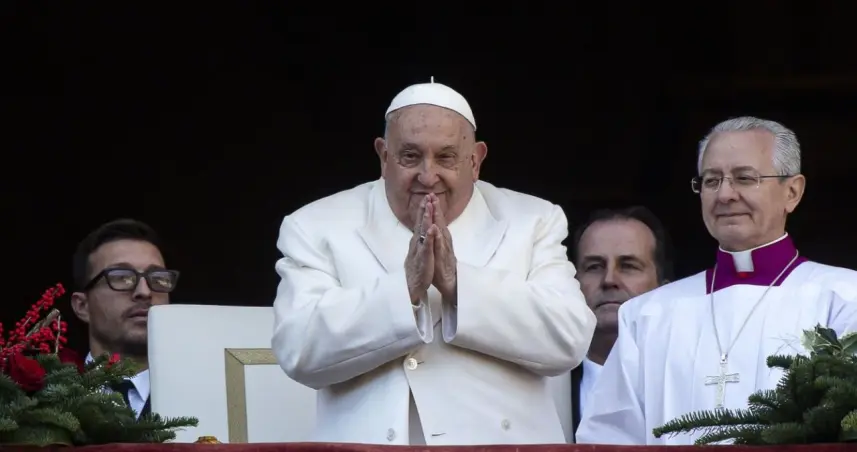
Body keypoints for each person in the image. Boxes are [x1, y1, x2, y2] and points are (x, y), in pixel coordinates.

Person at [271, 79, 596, 445]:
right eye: (410, 156)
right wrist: (405, 290)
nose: (427, 176)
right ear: (383, 156)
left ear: (475, 160)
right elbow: (298, 350)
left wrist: (459, 284)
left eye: (446, 157)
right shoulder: (317, 225)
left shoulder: (532, 221)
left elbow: (570, 338)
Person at [576, 116, 857, 445]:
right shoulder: (647, 315)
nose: (724, 194)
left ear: (792, 192)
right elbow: (609, 438)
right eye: (711, 181)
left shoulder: (844, 298)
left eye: (744, 178)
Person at [569, 206, 673, 440]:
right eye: (594, 267)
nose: (609, 280)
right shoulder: (540, 384)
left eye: (628, 266)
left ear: (665, 290)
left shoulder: (686, 379)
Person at [70, 218, 180, 419]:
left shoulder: (206, 395)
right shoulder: (39, 401)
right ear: (82, 306)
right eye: (121, 277)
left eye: (158, 278)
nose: (144, 292)